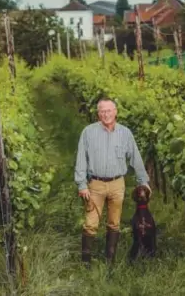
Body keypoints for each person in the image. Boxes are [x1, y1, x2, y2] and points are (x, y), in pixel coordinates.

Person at [75, 98, 151, 267]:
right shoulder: (88, 132)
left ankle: (110, 261)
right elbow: (81, 158)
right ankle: (86, 262)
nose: (106, 114)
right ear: (98, 113)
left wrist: (143, 181)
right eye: (102, 111)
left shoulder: (125, 133)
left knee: (114, 223)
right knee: (90, 223)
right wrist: (81, 184)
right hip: (95, 184)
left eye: (109, 110)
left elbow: (135, 159)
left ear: (115, 112)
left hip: (118, 184)